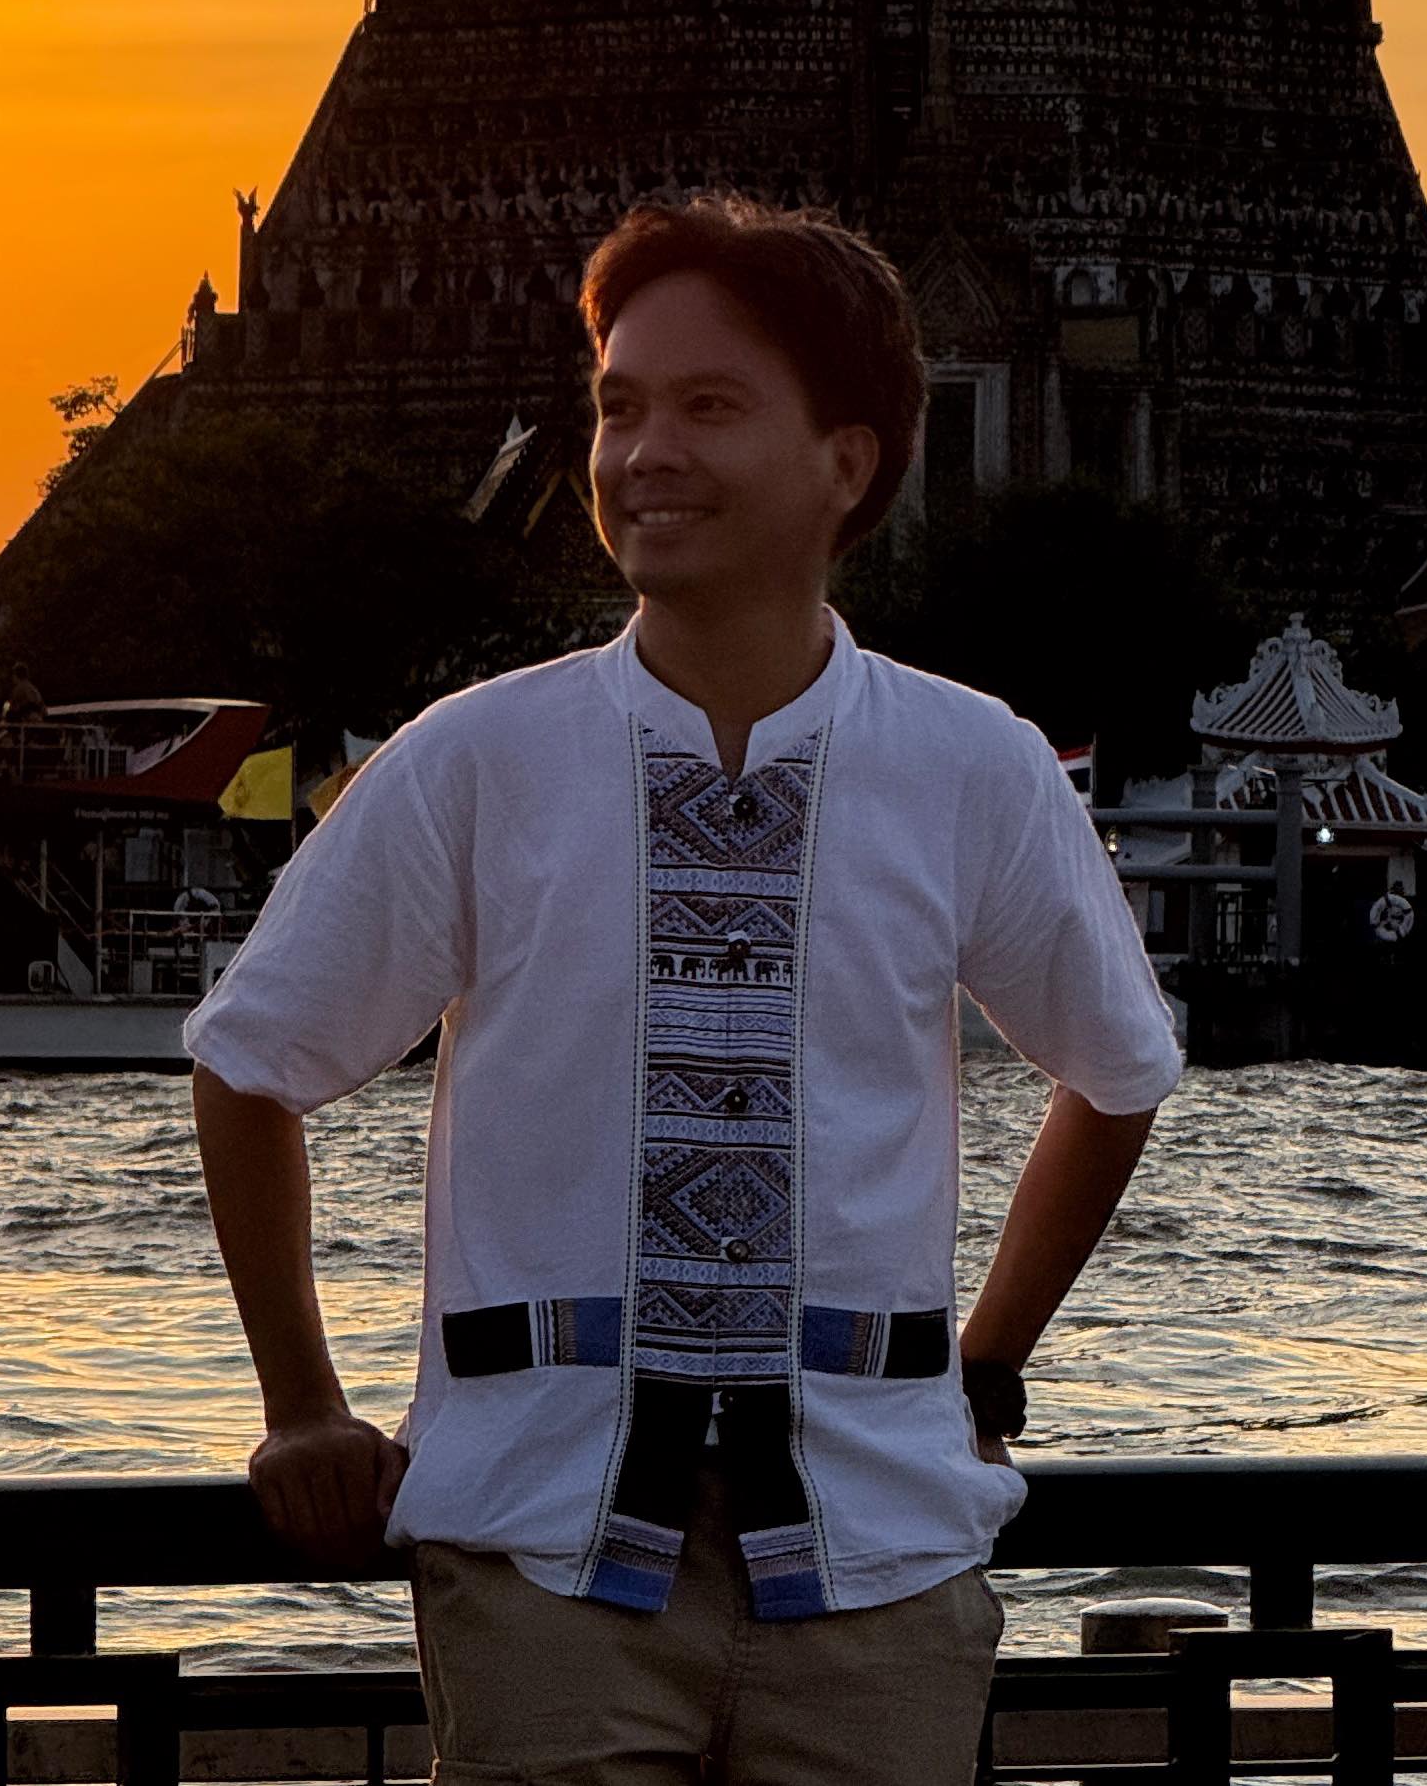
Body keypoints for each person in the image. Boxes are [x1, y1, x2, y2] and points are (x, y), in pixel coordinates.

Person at [188, 196, 1181, 1786]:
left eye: (709, 407)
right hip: (545, 1551)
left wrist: (983, 1363)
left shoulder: (969, 763)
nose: (644, 451)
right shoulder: (476, 759)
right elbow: (249, 1063)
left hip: (878, 1547)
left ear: (847, 462)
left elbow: (1120, 1069)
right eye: (619, 405)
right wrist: (304, 1404)